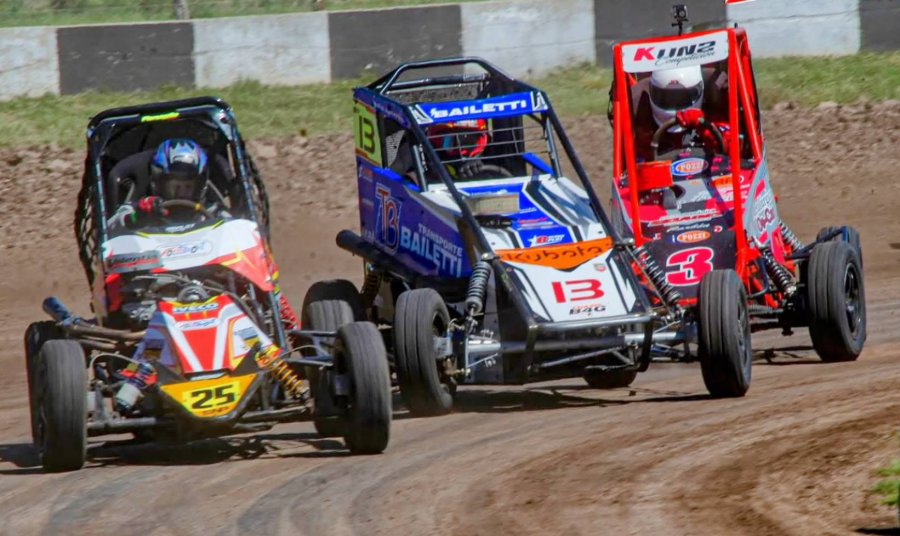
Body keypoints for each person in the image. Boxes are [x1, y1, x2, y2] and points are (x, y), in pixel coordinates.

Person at [107, 138, 223, 230]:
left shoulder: (212, 212)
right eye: (176, 186)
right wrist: (138, 217)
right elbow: (110, 229)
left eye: (188, 186)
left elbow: (235, 229)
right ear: (159, 183)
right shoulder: (142, 209)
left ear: (199, 186)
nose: (181, 193)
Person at [425, 119, 510, 180]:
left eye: (468, 141)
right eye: (449, 141)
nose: (460, 149)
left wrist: (482, 175)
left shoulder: (497, 162)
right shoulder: (427, 170)